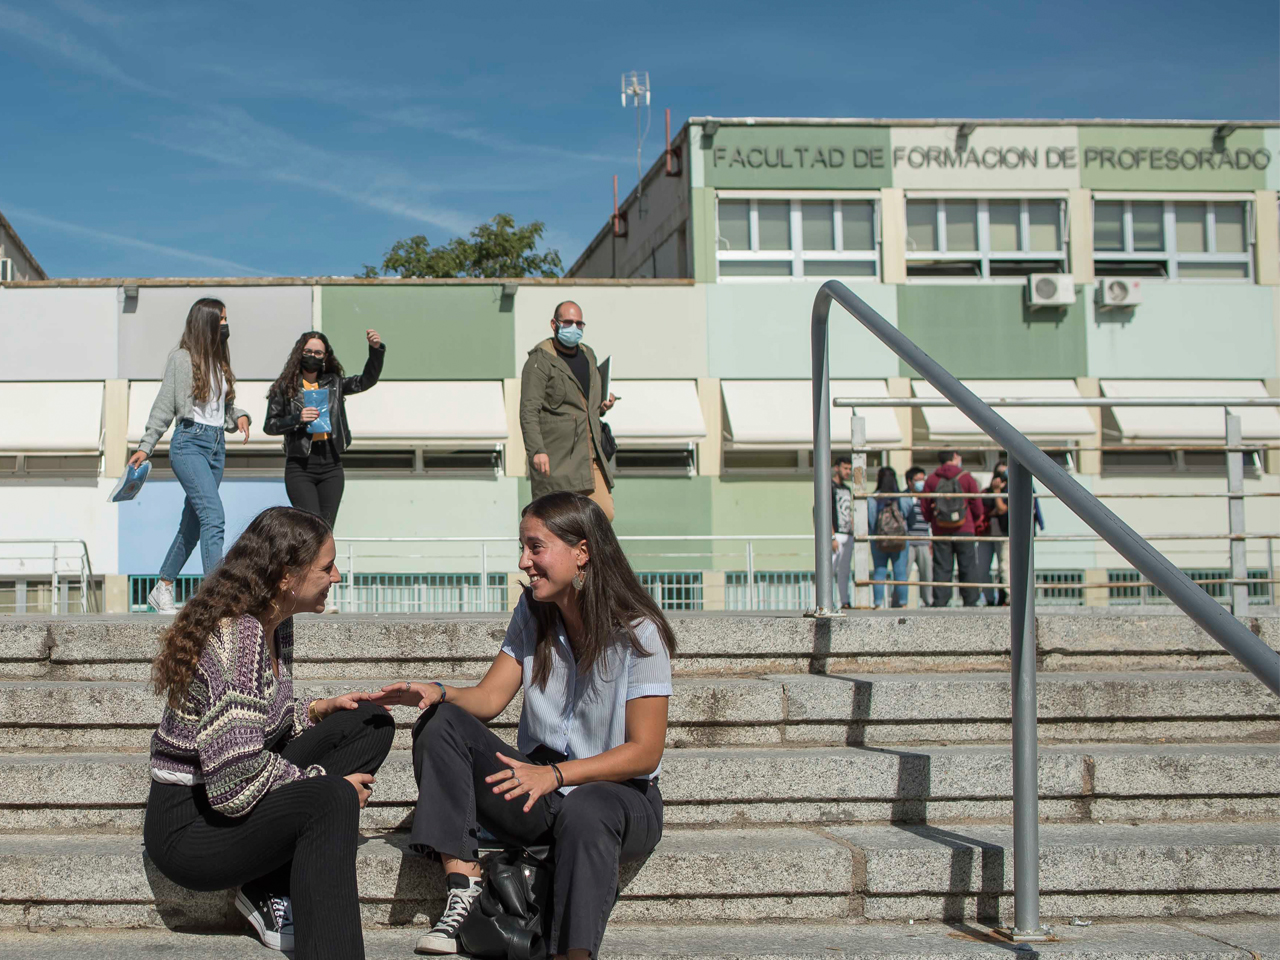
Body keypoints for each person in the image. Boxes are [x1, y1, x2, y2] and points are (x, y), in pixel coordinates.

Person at [374, 491, 673, 960]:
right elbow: (490, 698)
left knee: (587, 809)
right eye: (523, 546)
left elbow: (644, 752)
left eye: (536, 547)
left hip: (618, 795)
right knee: (441, 722)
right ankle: (463, 884)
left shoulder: (637, 631)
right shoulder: (532, 613)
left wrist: (556, 775)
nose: (524, 561)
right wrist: (439, 692)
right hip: (538, 790)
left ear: (582, 552)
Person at [143, 506, 394, 959]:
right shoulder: (237, 638)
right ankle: (286, 901)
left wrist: (316, 710)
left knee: (370, 721)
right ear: (286, 577)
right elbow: (235, 783)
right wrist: (324, 783)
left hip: (230, 790)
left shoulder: (275, 626)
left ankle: (266, 882)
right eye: (326, 567)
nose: (337, 576)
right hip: (192, 828)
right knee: (332, 801)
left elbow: (259, 720)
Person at [128, 298, 251, 614]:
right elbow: (164, 404)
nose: (226, 325)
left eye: (227, 319)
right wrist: (146, 445)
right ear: (207, 322)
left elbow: (219, 408)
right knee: (214, 516)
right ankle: (217, 597)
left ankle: (163, 587)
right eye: (221, 319)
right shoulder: (182, 359)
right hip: (189, 444)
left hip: (216, 447)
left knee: (193, 525)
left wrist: (238, 416)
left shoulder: (219, 360)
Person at [264, 329, 386, 529]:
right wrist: (298, 418)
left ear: (325, 356)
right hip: (301, 466)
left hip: (331, 464)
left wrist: (375, 350)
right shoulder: (286, 387)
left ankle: (320, 562)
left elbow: (367, 380)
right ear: (299, 353)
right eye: (308, 351)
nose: (312, 356)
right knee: (311, 528)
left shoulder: (334, 383)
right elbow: (270, 425)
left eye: (318, 353)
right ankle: (304, 561)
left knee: (326, 531)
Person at [520, 301, 618, 521]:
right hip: (558, 458)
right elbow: (528, 411)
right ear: (554, 324)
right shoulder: (539, 361)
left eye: (579, 323)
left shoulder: (588, 355)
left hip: (589, 456)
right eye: (568, 322)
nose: (574, 328)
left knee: (603, 515)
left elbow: (585, 404)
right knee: (558, 521)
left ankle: (586, 555)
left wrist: (601, 407)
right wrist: (537, 450)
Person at [921, 451, 984, 607]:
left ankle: (941, 602)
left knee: (942, 566)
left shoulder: (932, 479)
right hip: (965, 527)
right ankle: (970, 601)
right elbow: (977, 506)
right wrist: (974, 521)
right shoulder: (966, 477)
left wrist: (932, 520)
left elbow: (925, 507)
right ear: (955, 457)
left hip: (940, 528)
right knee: (967, 565)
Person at [867, 466, 914, 609]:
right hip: (899, 540)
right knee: (900, 573)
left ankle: (878, 604)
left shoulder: (872, 498)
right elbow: (907, 514)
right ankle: (903, 603)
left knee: (879, 572)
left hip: (879, 540)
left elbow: (871, 520)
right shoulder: (902, 498)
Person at [903, 466, 933, 608]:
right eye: (918, 480)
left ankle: (928, 602)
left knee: (927, 574)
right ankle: (900, 602)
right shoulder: (903, 497)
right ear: (910, 481)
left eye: (923, 479)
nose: (922, 483)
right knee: (904, 573)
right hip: (908, 542)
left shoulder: (927, 497)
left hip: (924, 540)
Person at [979, 471, 1010, 606]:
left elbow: (1002, 509)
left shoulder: (1009, 492)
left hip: (1004, 535)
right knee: (982, 568)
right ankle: (989, 599)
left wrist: (997, 491)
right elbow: (981, 510)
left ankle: (1009, 597)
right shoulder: (986, 493)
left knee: (1004, 567)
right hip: (986, 535)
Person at [830, 456, 854, 609]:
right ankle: (828, 601)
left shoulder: (847, 489)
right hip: (835, 534)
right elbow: (821, 512)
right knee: (830, 569)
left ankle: (844, 601)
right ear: (836, 468)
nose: (848, 472)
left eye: (850, 469)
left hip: (848, 534)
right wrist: (831, 536)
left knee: (844, 571)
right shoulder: (828, 487)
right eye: (845, 468)